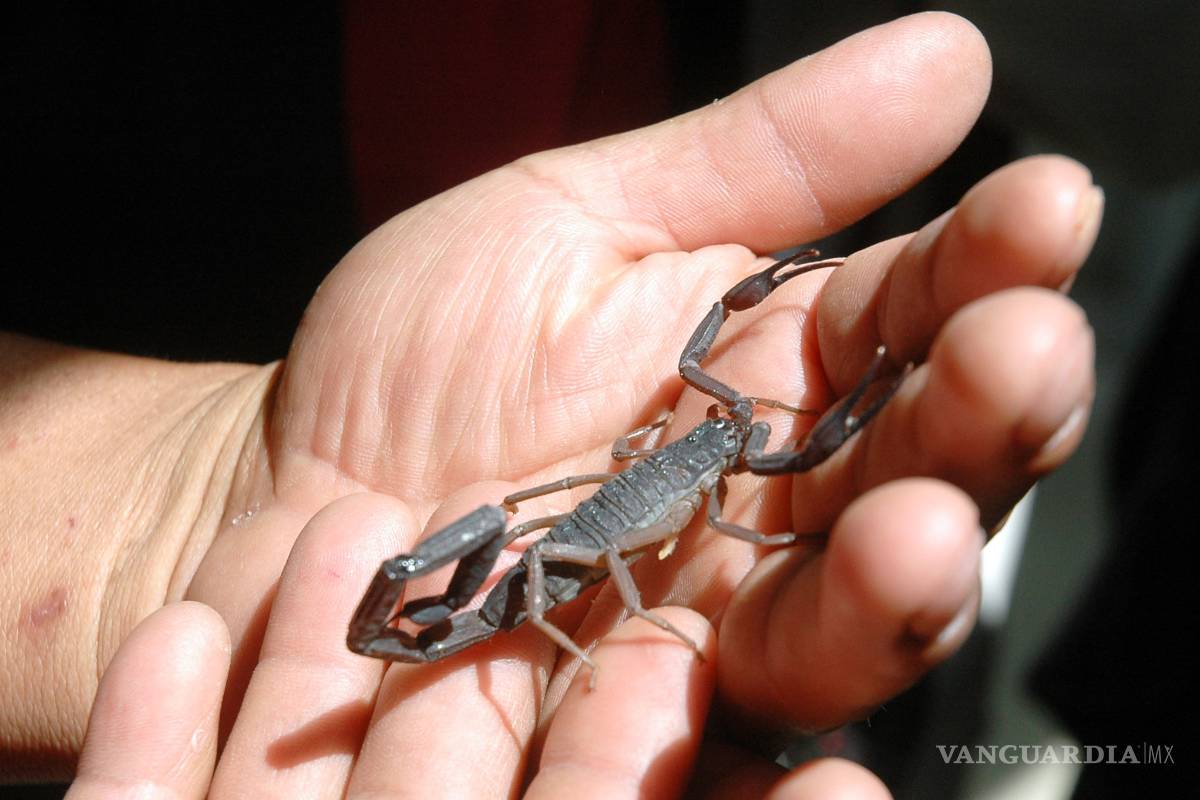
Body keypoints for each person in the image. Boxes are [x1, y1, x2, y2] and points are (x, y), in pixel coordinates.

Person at [1, 14, 1099, 797]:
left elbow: (704, 451)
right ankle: (463, 604)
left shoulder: (710, 444)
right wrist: (596, 621)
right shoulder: (715, 456)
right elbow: (691, 504)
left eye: (735, 428)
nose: (738, 424)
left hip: (588, 522)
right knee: (577, 537)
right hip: (569, 553)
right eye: (732, 426)